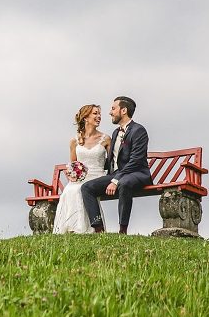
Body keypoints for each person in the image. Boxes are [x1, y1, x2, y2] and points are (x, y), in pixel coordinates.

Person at [81, 96, 152, 235]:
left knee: (124, 183)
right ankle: (99, 229)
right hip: (117, 174)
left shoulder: (139, 131)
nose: (110, 112)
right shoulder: (115, 132)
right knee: (87, 187)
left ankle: (122, 230)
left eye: (113, 109)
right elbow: (111, 160)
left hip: (137, 173)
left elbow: (135, 161)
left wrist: (115, 180)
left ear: (123, 110)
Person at [52, 104, 111, 234]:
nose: (99, 116)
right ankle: (73, 229)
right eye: (95, 114)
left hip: (98, 176)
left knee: (81, 189)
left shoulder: (106, 139)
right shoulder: (75, 141)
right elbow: (73, 164)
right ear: (85, 117)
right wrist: (72, 174)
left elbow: (112, 161)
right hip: (81, 178)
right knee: (70, 190)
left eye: (99, 114)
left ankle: (90, 229)